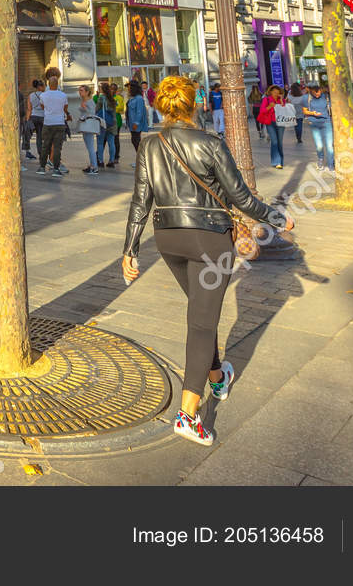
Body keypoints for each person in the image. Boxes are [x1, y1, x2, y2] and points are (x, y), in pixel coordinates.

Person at [122, 75, 289, 446]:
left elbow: (140, 200)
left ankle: (217, 378)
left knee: (202, 312)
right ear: (194, 103)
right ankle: (187, 416)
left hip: (167, 238)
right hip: (209, 240)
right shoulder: (210, 143)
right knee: (201, 323)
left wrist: (130, 249)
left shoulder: (149, 144)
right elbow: (242, 199)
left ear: (162, 106)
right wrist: (278, 219)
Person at [37, 68, 70, 177]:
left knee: (45, 146)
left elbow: (42, 107)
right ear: (57, 84)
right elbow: (65, 108)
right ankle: (56, 169)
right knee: (57, 147)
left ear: (49, 84)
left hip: (47, 122)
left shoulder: (43, 95)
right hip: (59, 123)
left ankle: (42, 167)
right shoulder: (63, 95)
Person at [300, 81, 333, 169]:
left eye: (319, 92)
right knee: (319, 145)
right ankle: (320, 159)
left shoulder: (326, 96)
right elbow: (304, 111)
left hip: (326, 121)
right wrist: (313, 113)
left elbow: (331, 108)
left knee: (329, 145)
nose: (317, 94)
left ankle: (331, 165)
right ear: (310, 91)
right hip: (314, 122)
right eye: (315, 92)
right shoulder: (306, 98)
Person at [75, 85, 103, 174]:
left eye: (82, 90)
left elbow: (92, 113)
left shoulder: (89, 101)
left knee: (90, 147)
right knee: (89, 147)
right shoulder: (84, 100)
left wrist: (84, 108)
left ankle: (94, 167)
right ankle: (92, 165)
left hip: (88, 126)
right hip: (85, 126)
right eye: (79, 90)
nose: (80, 92)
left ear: (87, 92)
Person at [259, 85, 287, 169]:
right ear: (270, 92)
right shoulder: (266, 99)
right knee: (274, 142)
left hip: (281, 123)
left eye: (278, 92)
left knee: (280, 142)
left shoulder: (281, 100)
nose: (276, 94)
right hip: (270, 122)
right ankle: (277, 162)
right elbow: (262, 111)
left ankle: (280, 161)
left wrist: (281, 100)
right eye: (274, 92)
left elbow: (285, 109)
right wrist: (269, 106)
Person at [125, 79, 151, 155]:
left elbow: (139, 112)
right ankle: (140, 158)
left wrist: (136, 123)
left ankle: (142, 159)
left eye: (129, 87)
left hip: (136, 124)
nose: (128, 89)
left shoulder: (139, 98)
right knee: (134, 141)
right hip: (131, 123)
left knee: (136, 141)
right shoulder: (132, 98)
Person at [22, 79, 45, 161]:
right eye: (44, 86)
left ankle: (27, 151)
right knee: (40, 136)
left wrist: (28, 120)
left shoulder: (31, 95)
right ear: (40, 86)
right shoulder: (45, 95)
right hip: (43, 118)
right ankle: (41, 154)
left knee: (28, 135)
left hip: (33, 117)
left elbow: (29, 109)